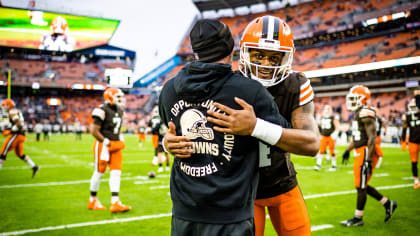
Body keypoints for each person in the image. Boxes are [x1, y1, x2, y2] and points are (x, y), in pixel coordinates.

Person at [164, 16, 319, 236]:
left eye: (275, 58)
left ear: (287, 57)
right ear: (244, 53)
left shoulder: (295, 84)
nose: (266, 64)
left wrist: (256, 127)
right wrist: (168, 141)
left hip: (282, 183)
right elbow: (199, 132)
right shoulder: (230, 85)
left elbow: (312, 144)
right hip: (244, 195)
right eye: (259, 55)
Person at [341, 85, 397, 226]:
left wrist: (368, 161)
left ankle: (358, 219)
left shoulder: (366, 112)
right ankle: (388, 203)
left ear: (363, 99)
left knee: (360, 186)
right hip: (360, 150)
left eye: (355, 98)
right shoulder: (358, 112)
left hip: (366, 151)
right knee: (361, 185)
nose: (352, 101)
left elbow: (371, 138)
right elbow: (358, 137)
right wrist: (347, 150)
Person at [87, 87, 131, 213]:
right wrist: (105, 141)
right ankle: (92, 200)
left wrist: (120, 139)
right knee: (99, 172)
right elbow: (94, 130)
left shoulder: (120, 111)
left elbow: (117, 129)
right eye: (117, 97)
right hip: (103, 145)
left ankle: (115, 202)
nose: (120, 100)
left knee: (116, 172)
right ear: (109, 97)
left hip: (116, 145)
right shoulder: (101, 110)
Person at [0, 99, 39, 177]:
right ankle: (34, 166)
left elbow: (19, 124)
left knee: (3, 151)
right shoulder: (14, 111)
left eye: (4, 106)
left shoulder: (12, 112)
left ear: (8, 106)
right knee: (19, 154)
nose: (3, 108)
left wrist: (10, 131)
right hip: (21, 135)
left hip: (17, 134)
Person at [315, 104, 340, 171]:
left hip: (330, 136)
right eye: (326, 110)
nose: (326, 111)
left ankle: (334, 166)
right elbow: (319, 126)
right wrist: (319, 134)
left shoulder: (333, 118)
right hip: (323, 136)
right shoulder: (322, 117)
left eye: (328, 110)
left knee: (332, 151)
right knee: (321, 151)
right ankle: (318, 165)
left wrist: (335, 133)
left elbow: (337, 127)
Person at [402, 98, 420, 189]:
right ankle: (416, 180)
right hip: (413, 142)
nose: (413, 109)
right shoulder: (408, 117)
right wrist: (403, 141)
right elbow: (404, 128)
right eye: (412, 107)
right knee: (414, 162)